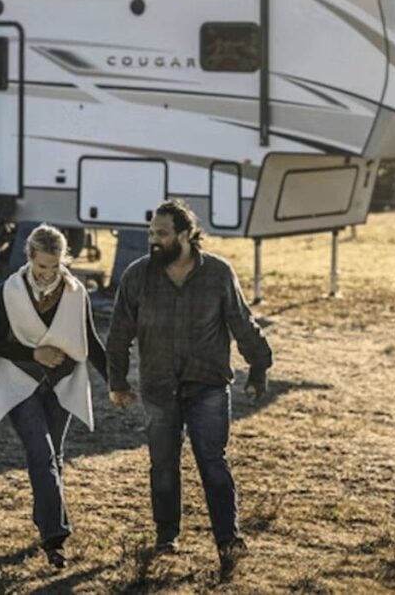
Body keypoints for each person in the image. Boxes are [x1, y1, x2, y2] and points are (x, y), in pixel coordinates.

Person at [105, 199, 273, 583]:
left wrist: (258, 366)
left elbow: (241, 322)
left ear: (185, 234)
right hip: (159, 386)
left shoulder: (217, 273)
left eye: (161, 234)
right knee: (163, 465)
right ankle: (167, 537)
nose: (153, 240)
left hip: (208, 384)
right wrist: (117, 381)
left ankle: (229, 540)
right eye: (151, 233)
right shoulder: (138, 276)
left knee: (213, 462)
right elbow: (118, 334)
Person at [0, 223, 107, 570]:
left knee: (53, 458)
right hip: (19, 383)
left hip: (61, 384)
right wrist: (33, 354)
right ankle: (56, 539)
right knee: (41, 452)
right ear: (30, 258)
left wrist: (116, 383)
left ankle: (45, 522)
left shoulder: (74, 291)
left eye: (54, 267)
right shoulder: (10, 290)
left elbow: (90, 340)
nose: (48, 274)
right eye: (42, 267)